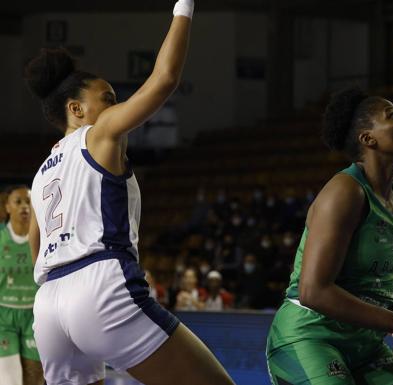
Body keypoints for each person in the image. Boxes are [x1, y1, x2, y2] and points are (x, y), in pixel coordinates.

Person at [24, 2, 234, 384]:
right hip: (99, 284)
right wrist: (184, 8)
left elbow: (35, 246)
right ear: (76, 108)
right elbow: (165, 78)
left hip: (49, 302)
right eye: (106, 98)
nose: (116, 105)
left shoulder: (40, 173)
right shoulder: (98, 134)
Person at [266, 87, 393, 385]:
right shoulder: (344, 192)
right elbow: (313, 291)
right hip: (310, 335)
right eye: (392, 116)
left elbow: (385, 283)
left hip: (364, 344)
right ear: (368, 139)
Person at [0, 186, 43, 385]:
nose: (25, 206)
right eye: (18, 202)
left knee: (34, 378)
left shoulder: (44, 239)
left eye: (28, 201)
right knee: (10, 380)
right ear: (8, 207)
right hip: (3, 316)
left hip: (34, 316)